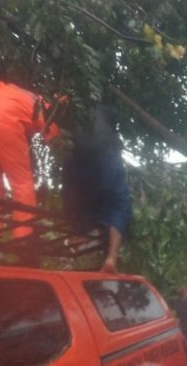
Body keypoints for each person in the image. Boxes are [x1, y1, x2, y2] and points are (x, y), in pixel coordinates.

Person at [0, 79, 63, 238]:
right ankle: (24, 235)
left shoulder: (6, 93)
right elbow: (53, 135)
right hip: (3, 123)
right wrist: (62, 147)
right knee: (21, 181)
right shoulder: (40, 105)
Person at [62, 104, 132, 273]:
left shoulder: (78, 113)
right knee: (119, 206)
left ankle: (78, 233)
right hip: (106, 158)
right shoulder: (104, 113)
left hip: (77, 163)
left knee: (74, 198)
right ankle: (111, 258)